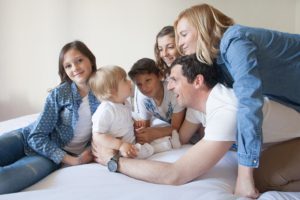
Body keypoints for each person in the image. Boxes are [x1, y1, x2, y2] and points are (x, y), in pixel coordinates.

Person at [93, 54, 300, 197]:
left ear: (198, 81)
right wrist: (143, 140)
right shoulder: (197, 107)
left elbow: (175, 174)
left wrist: (116, 162)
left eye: (174, 80)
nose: (170, 86)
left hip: (294, 139)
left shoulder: (225, 109)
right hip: (274, 144)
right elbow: (180, 139)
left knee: (262, 178)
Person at [174, 3, 300, 198]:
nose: (179, 44)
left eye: (183, 34)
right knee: (266, 178)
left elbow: (249, 104)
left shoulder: (235, 40)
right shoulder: (220, 65)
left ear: (203, 26)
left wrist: (244, 175)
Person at [0, 40, 100, 194]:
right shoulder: (60, 94)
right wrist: (73, 161)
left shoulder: (104, 93)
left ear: (91, 61)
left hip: (50, 156)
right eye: (68, 65)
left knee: (4, 182)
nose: (75, 68)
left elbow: (118, 113)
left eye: (79, 60)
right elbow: (36, 136)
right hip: (25, 137)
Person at [89, 65, 181, 160]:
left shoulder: (125, 102)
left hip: (131, 141)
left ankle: (168, 141)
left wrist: (134, 122)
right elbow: (98, 135)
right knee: (141, 152)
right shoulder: (106, 110)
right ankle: (166, 145)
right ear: (112, 91)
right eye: (124, 80)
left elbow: (123, 118)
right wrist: (120, 145)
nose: (129, 81)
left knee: (147, 141)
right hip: (119, 150)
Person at [128, 58, 185, 145]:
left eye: (148, 80)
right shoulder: (142, 96)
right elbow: (146, 125)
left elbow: (176, 127)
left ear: (159, 76)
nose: (144, 88)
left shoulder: (173, 92)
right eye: (139, 84)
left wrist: (155, 133)